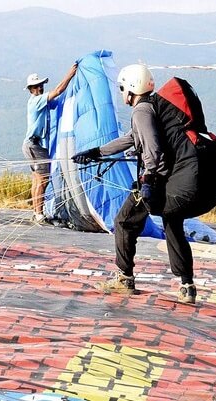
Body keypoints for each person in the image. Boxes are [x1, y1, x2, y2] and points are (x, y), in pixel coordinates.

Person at [71, 64, 197, 304]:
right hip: (175, 179)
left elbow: (152, 149)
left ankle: (124, 278)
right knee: (173, 225)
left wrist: (149, 179)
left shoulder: (141, 111)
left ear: (131, 88)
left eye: (122, 89)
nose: (122, 94)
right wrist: (96, 152)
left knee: (124, 222)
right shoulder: (154, 107)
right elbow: (130, 139)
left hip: (156, 180)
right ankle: (187, 286)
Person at [23, 64, 77, 225]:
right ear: (31, 89)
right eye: (37, 86)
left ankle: (36, 211)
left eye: (41, 85)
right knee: (43, 179)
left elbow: (58, 100)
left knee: (37, 179)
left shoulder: (40, 102)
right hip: (35, 145)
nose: (40, 88)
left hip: (32, 145)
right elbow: (58, 91)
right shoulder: (36, 101)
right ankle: (39, 214)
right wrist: (70, 75)